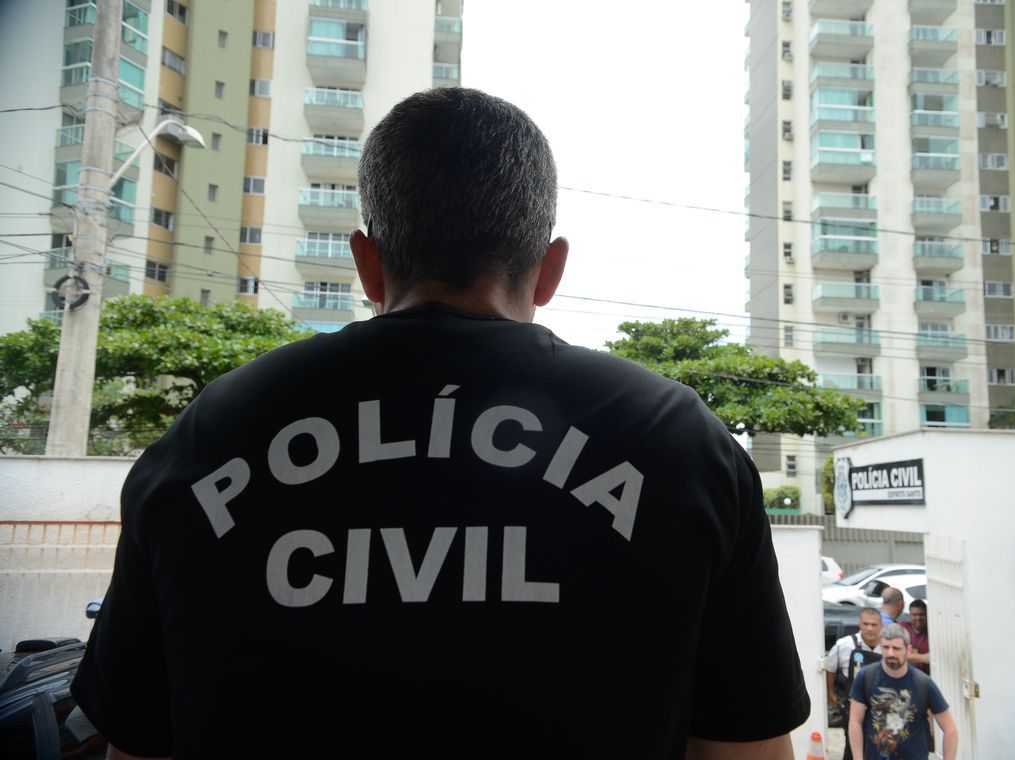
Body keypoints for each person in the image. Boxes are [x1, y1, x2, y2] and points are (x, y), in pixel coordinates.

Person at [71, 88, 809, 760]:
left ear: (366, 262)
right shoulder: (680, 444)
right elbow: (747, 751)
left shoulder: (207, 440)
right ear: (549, 270)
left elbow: (136, 749)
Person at [848, 624, 958, 760]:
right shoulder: (866, 676)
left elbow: (950, 730)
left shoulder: (923, 683)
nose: (890, 654)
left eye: (896, 648)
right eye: (885, 647)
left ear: (908, 649)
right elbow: (855, 721)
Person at [826, 607, 883, 760]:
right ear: (860, 624)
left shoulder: (887, 647)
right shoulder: (844, 645)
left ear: (881, 625)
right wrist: (831, 693)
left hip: (880, 709)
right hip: (852, 707)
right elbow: (830, 669)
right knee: (853, 748)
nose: (870, 628)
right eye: (866, 624)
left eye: (874, 624)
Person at [900, 599, 930, 675]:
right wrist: (923, 657)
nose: (918, 618)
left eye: (921, 614)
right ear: (909, 615)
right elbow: (899, 656)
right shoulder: (902, 627)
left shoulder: (931, 632)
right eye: (914, 615)